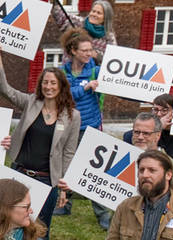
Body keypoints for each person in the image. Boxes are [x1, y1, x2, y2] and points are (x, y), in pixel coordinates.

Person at [0, 44, 80, 240]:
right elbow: (6, 91)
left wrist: (64, 187)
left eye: (53, 83)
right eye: (45, 82)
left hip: (47, 181)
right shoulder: (31, 103)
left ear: (61, 86)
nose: (48, 87)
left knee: (40, 230)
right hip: (20, 173)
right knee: (11, 225)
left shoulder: (72, 116)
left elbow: (69, 153)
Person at [53, 28, 110, 229]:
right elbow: (63, 95)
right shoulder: (63, 72)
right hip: (69, 126)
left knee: (93, 172)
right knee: (65, 165)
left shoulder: (96, 70)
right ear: (73, 51)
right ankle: (64, 203)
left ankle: (103, 213)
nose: (89, 53)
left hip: (91, 126)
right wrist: (85, 88)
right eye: (84, 50)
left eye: (90, 50)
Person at [50, 0, 116, 63]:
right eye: (93, 11)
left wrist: (96, 56)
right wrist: (54, 3)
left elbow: (112, 60)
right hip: (69, 70)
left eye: (99, 13)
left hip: (91, 73)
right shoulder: (78, 23)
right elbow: (60, 16)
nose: (94, 14)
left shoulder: (109, 36)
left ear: (106, 17)